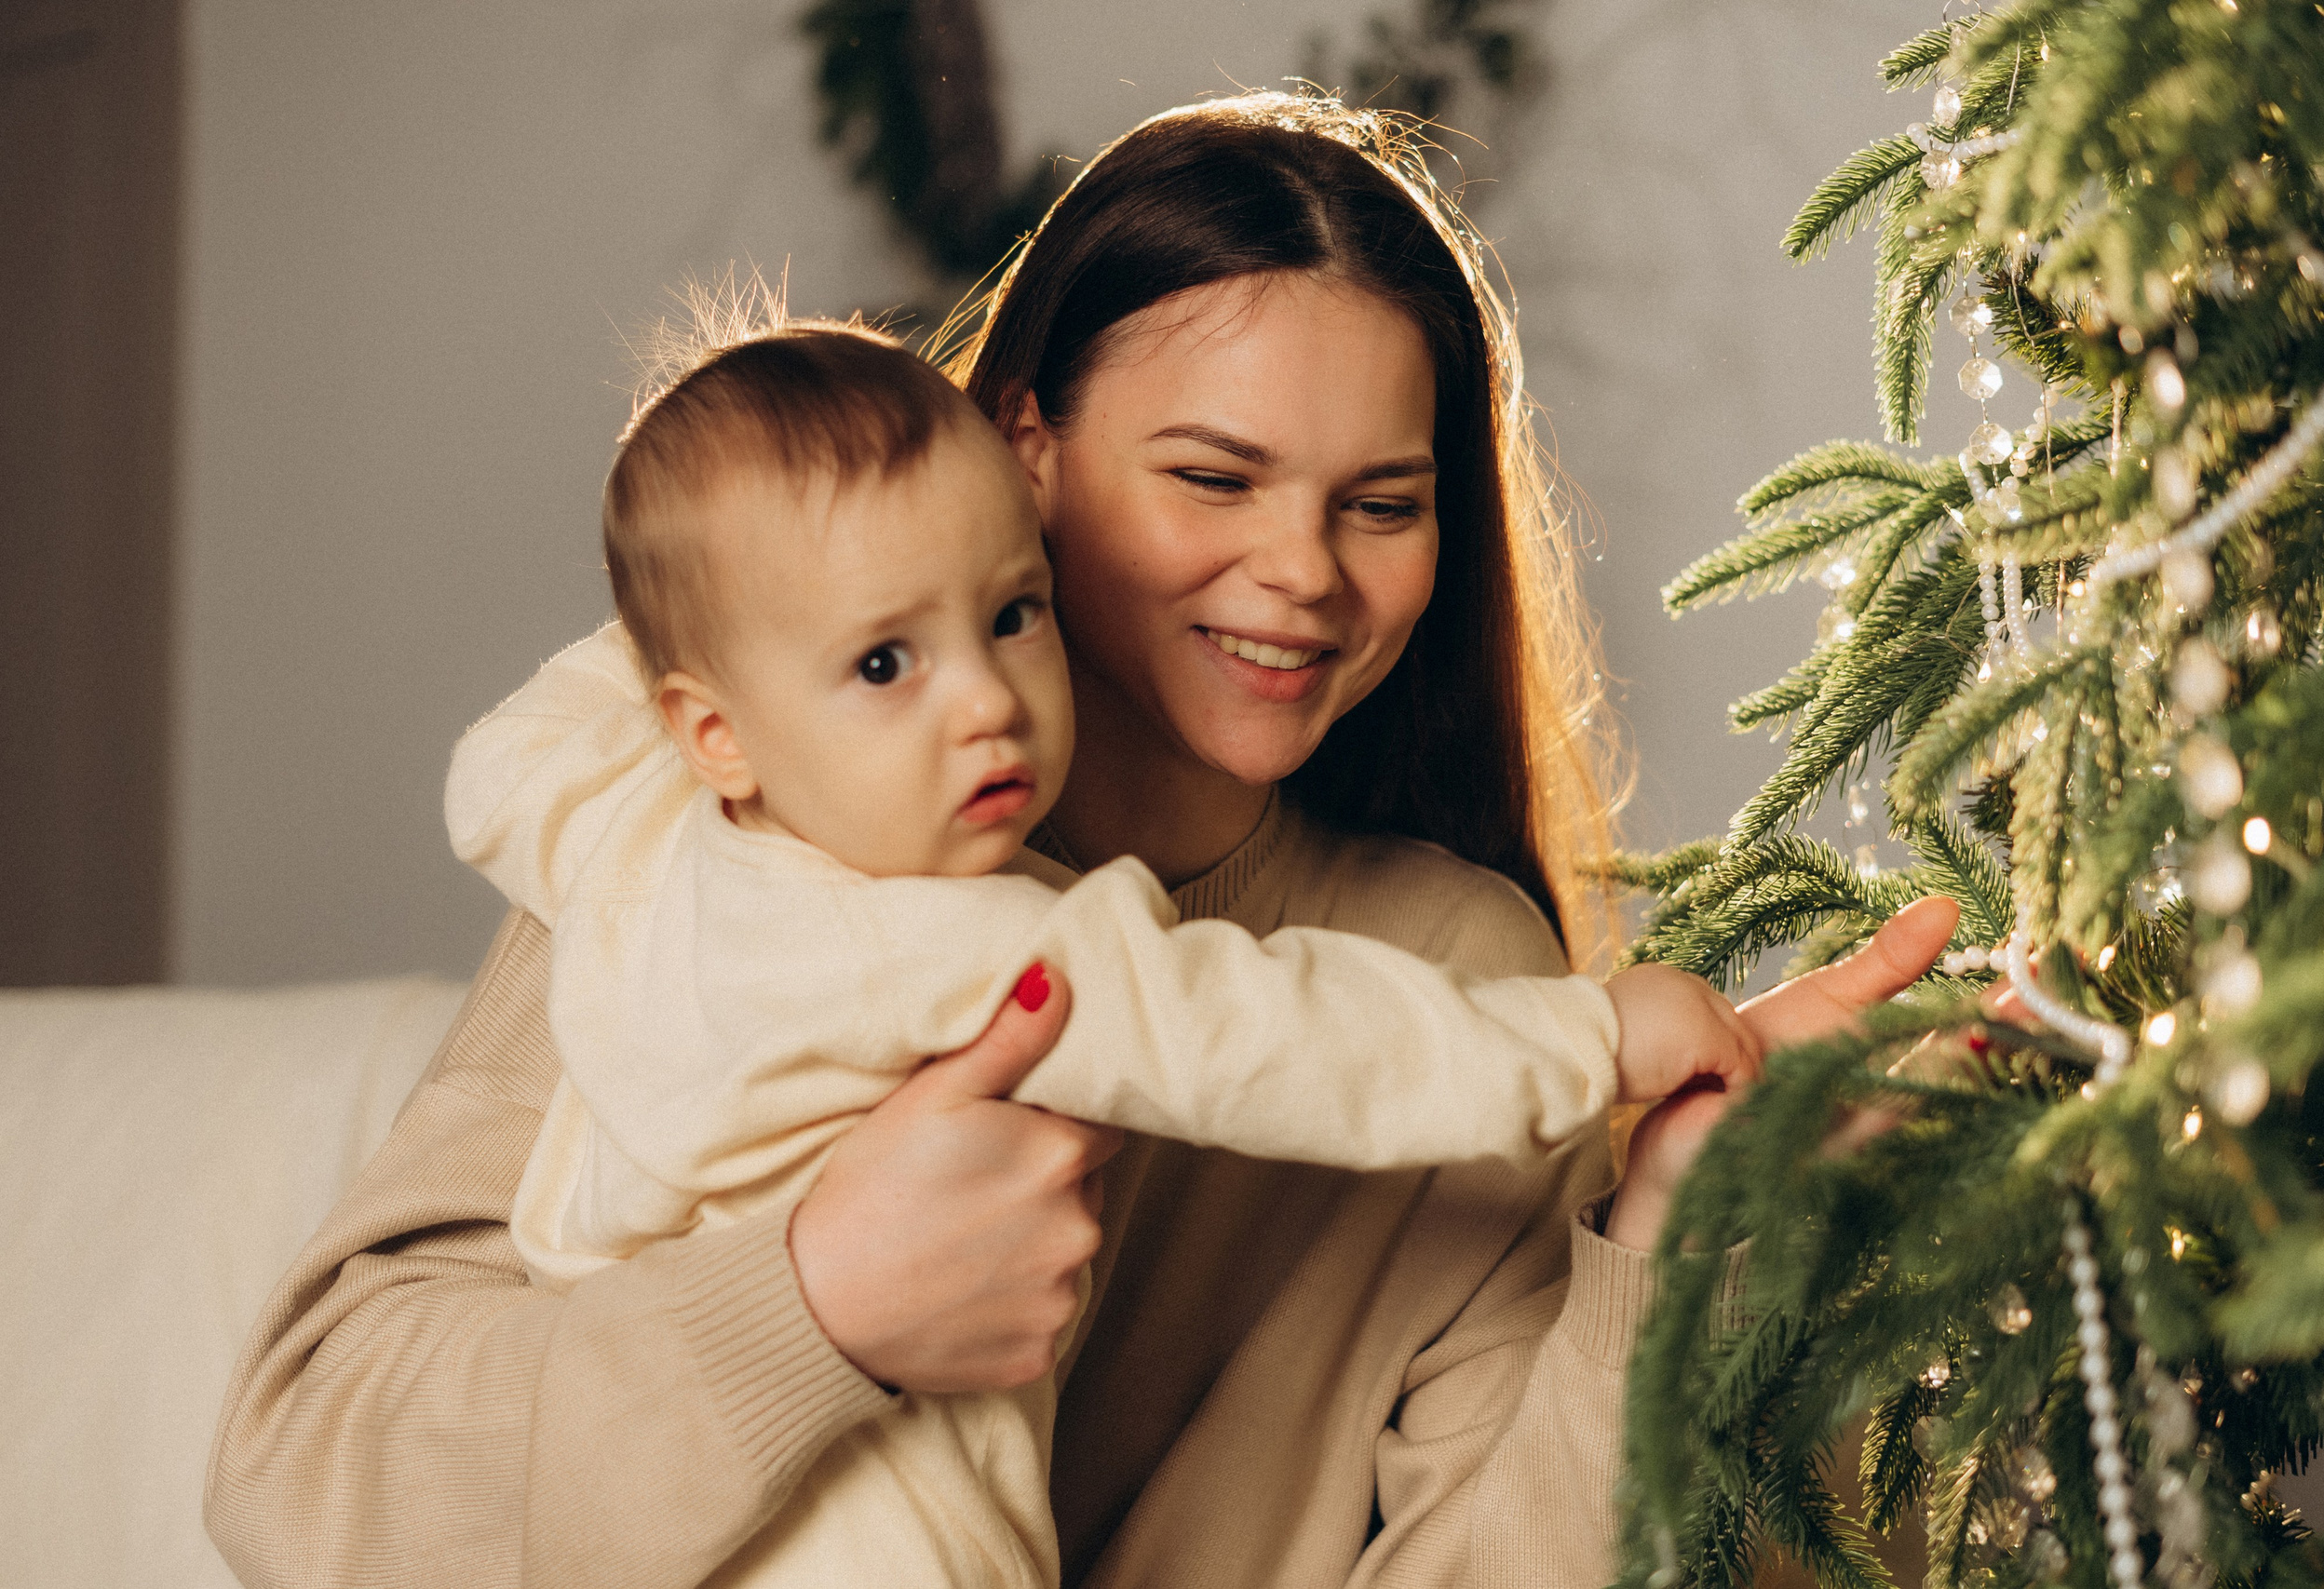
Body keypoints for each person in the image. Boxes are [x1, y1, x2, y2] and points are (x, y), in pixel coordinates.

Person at [207, 92, 1958, 1588]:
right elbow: (305, 1481)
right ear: (1025, 455)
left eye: (1384, 505)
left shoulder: (1450, 980)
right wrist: (814, 1311)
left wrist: (1666, 1236)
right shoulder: (728, 837)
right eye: (1212, 477)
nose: (1304, 573)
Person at [453, 318, 1765, 1587]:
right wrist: (1595, 1038)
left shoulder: (625, 824)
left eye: (1010, 616)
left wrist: (758, 617)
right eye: (884, 659)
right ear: (1036, 460)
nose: (979, 700)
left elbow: (502, 766)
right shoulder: (974, 937)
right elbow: (1270, 1034)